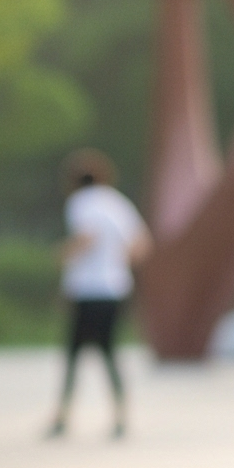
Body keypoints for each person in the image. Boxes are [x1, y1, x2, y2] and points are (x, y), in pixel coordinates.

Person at [47, 149, 149, 440]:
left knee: (73, 353)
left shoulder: (80, 202)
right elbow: (141, 244)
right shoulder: (117, 203)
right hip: (115, 289)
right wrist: (116, 264)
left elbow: (87, 236)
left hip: (86, 290)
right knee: (109, 352)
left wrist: (64, 254)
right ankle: (120, 415)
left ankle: (62, 416)